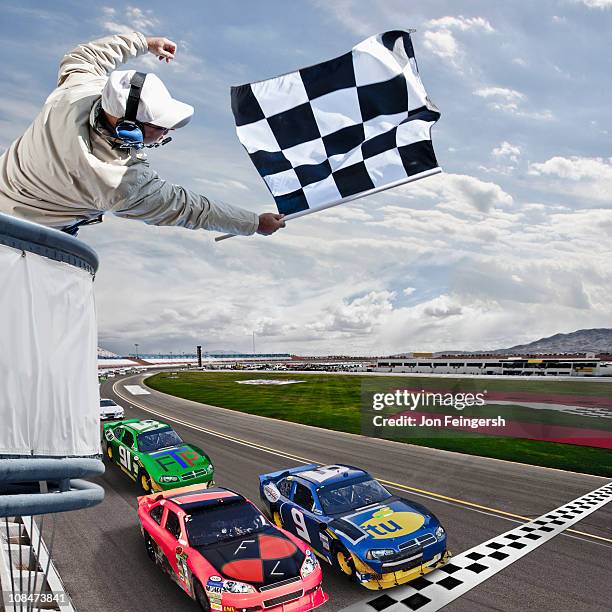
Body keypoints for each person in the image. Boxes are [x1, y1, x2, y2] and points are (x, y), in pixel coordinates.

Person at [0, 32, 285, 237]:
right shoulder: (117, 181)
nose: (167, 132)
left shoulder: (77, 91)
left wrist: (144, 43)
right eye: (159, 127)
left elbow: (86, 55)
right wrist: (254, 223)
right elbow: (189, 209)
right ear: (129, 128)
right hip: (24, 235)